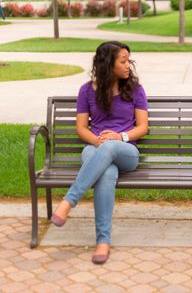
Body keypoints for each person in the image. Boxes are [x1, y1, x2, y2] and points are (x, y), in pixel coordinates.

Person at [50, 41, 148, 264]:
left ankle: (68, 202)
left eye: (128, 60)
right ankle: (103, 242)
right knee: (107, 174)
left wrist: (119, 137)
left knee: (110, 147)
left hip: (126, 150)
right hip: (94, 148)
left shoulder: (135, 90)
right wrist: (97, 141)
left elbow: (143, 127)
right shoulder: (86, 90)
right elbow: (81, 128)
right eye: (123, 61)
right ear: (107, 64)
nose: (128, 66)